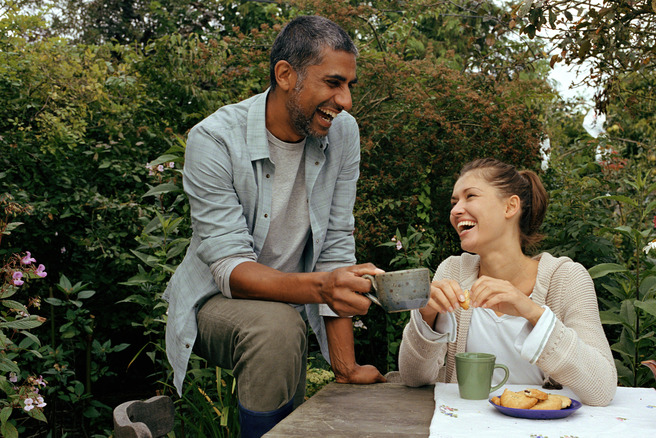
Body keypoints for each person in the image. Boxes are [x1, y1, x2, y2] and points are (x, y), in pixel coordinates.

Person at [163, 16, 386, 437]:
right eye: (334, 83)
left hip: (294, 299)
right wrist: (322, 286)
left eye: (350, 85)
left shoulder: (343, 134)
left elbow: (337, 247)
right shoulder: (213, 140)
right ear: (286, 75)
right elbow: (230, 267)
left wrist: (346, 367)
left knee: (283, 322)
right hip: (214, 299)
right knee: (277, 327)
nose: (346, 101)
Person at [397, 157, 617, 406]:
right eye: (454, 201)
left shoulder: (566, 278)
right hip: (465, 427)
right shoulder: (452, 270)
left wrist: (532, 313)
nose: (456, 210)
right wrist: (426, 316)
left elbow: (602, 389)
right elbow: (414, 378)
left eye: (470, 196)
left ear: (510, 207)